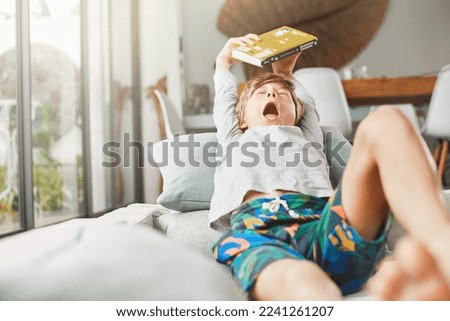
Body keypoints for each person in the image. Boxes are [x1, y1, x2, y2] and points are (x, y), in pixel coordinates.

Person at [209, 34, 450, 300]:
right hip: (259, 235)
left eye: (281, 93)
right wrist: (224, 62)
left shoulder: (308, 136)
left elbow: (307, 105)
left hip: (325, 228)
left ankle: (444, 251)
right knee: (301, 281)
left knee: (385, 120)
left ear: (297, 115)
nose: (272, 93)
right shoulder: (235, 138)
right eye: (261, 92)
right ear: (241, 119)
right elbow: (225, 98)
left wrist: (287, 75)